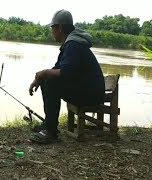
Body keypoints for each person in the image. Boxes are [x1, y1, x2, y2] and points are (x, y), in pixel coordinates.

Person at [28, 9, 105, 144]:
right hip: (87, 90)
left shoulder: (73, 45)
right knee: (48, 79)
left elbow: (64, 72)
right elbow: (57, 69)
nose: (52, 31)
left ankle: (50, 131)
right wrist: (39, 78)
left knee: (51, 82)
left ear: (60, 28)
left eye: (53, 28)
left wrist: (45, 73)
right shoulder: (70, 44)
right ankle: (49, 125)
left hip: (91, 94)